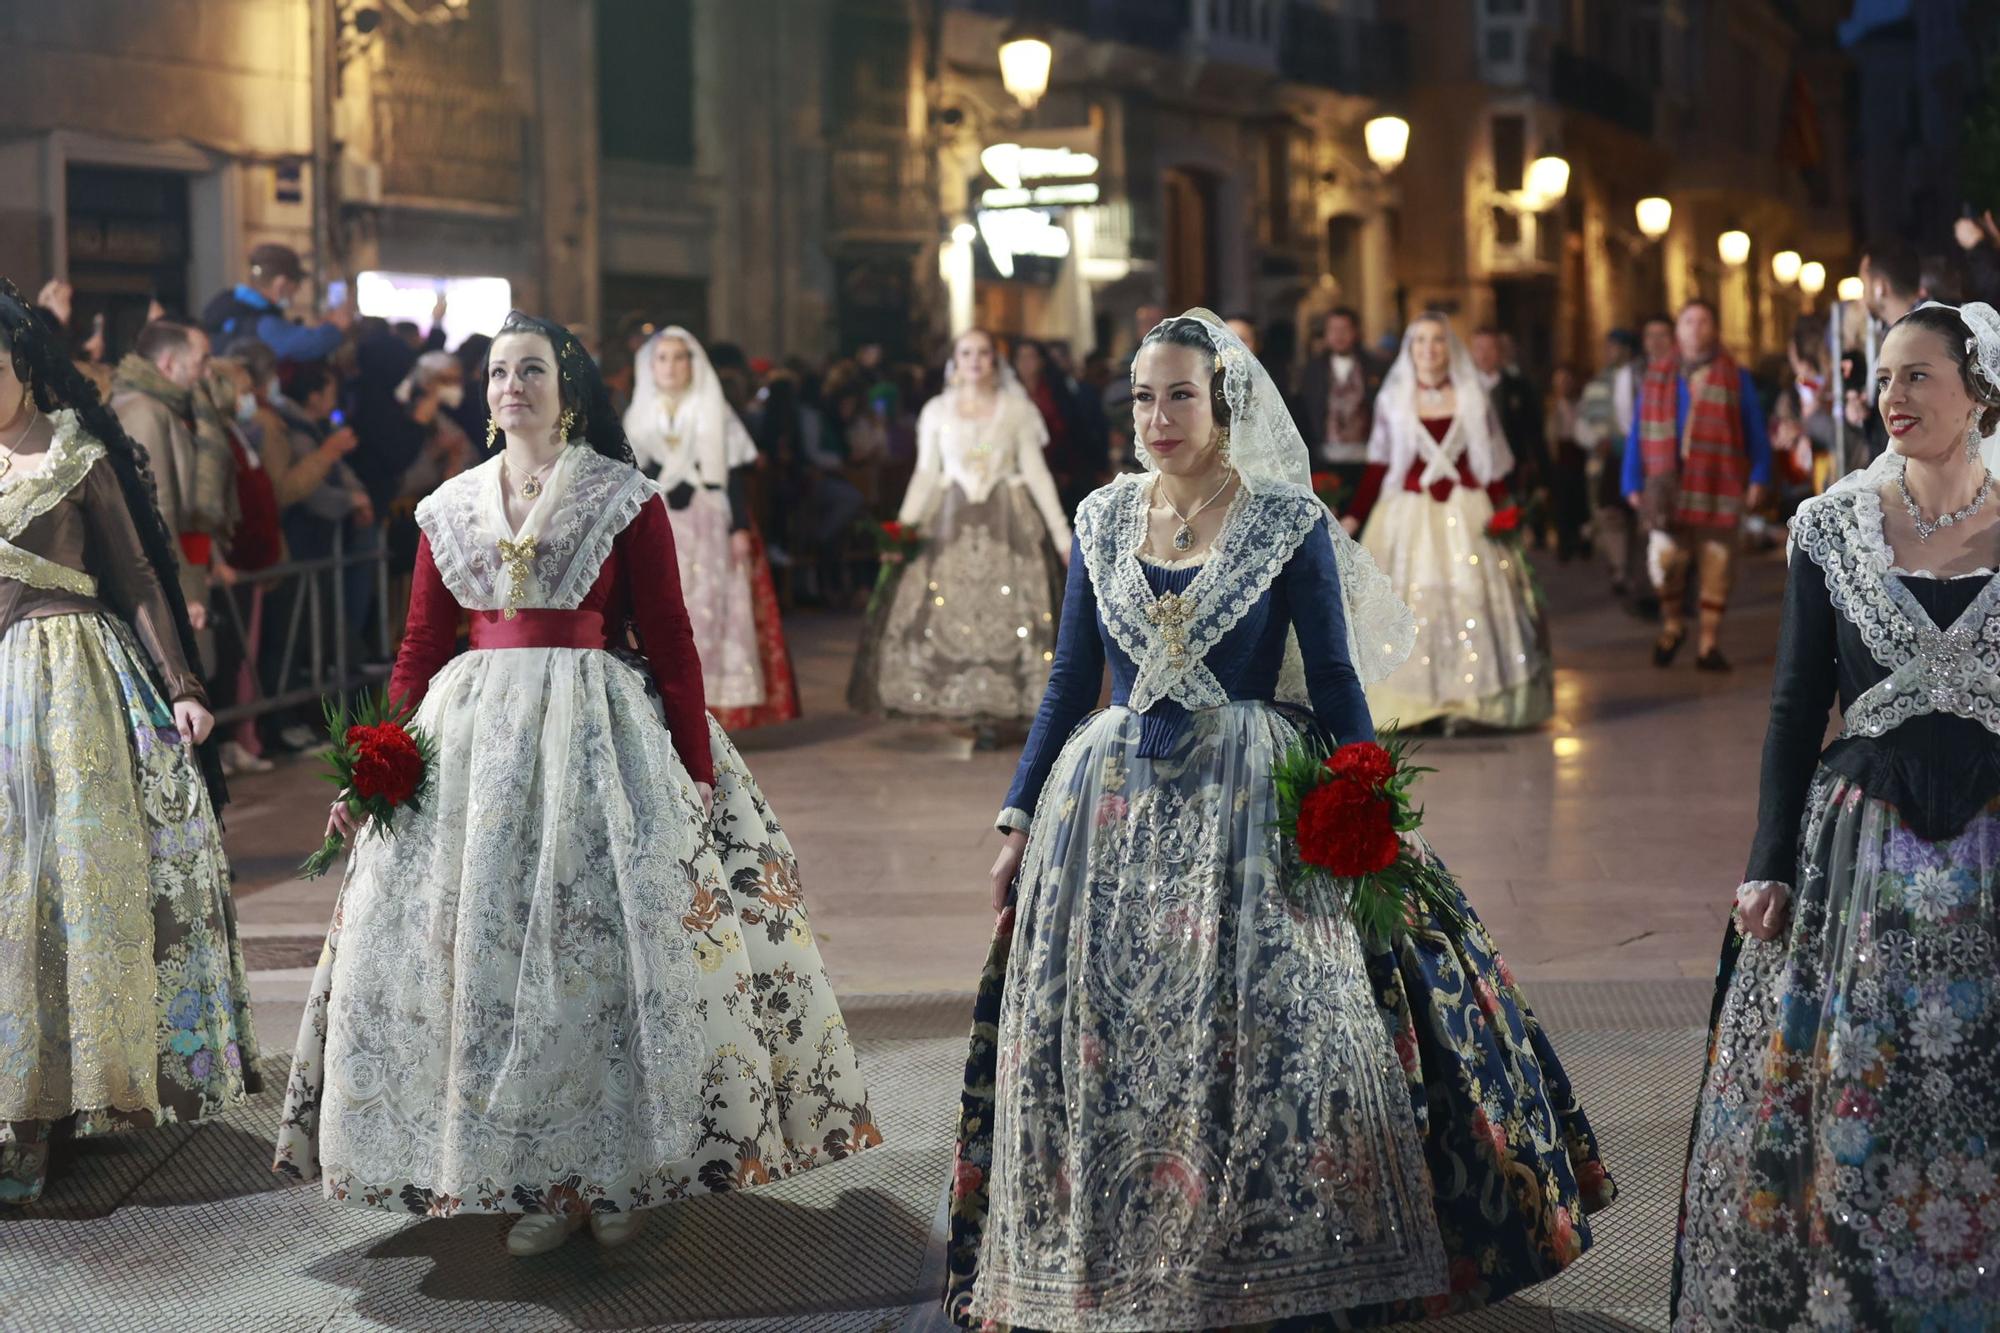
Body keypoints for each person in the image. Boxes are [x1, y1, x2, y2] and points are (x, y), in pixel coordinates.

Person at [947, 309, 1613, 1330]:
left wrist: (1370, 801)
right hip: (1111, 813)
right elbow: (1067, 683)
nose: (1157, 416)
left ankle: (1269, 1256)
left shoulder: (1282, 522)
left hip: (1251, 807)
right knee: (1114, 1037)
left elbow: (1337, 679)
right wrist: (1015, 815)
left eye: (1178, 394)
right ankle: (1123, 1255)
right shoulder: (1098, 519)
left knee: (1266, 1035)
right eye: (1141, 396)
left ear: (1223, 404)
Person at [274, 311, 878, 1256]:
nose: (512, 384)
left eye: (532, 370)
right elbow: (422, 648)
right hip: (474, 751)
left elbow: (671, 643)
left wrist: (695, 766)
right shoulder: (449, 505)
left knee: (599, 959)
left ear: (571, 390)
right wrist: (377, 764)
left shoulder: (622, 498)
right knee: (497, 959)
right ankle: (536, 1178)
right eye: (498, 371)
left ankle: (620, 1164)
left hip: (598, 743)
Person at [1675, 301, 2000, 1330]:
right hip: (1860, 854)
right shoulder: (1828, 526)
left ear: (1976, 391)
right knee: (1859, 1079)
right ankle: (1852, 1294)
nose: (1886, 397)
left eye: (1914, 376)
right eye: (1879, 375)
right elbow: (1790, 703)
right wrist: (1765, 861)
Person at [0, 278, 255, 1203]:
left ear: (22, 365)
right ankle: (15, 1105)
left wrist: (183, 686)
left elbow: (138, 572)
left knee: (75, 891)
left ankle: (69, 1102)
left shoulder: (75, 452)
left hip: (75, 690)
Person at [847, 329, 1069, 741]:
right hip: (948, 521)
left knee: (1012, 611)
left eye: (984, 353)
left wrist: (1061, 534)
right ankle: (962, 704)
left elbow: (1035, 472)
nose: (975, 360)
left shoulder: (1016, 409)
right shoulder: (936, 410)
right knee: (945, 608)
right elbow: (926, 473)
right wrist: (902, 529)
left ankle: (1001, 706)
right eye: (967, 352)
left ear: (994, 361)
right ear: (955, 360)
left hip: (1007, 523)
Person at [1344, 313, 1554, 731]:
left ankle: (1468, 702)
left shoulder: (1472, 394)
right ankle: (1413, 706)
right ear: (1410, 348)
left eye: (1437, 340)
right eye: (1420, 340)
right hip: (1406, 514)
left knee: (1470, 599)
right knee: (1410, 606)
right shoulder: (1393, 397)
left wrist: (1508, 514)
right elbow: (1380, 462)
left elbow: (1492, 465)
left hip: (1467, 510)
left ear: (1449, 347)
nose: (1429, 348)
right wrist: (1353, 513)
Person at [624, 326, 800, 731]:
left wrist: (740, 527)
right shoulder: (639, 412)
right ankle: (668, 707)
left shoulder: (711, 407)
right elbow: (633, 469)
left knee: (712, 609)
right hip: (661, 523)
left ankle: (714, 713)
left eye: (679, 357)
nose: (671, 366)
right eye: (662, 358)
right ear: (650, 366)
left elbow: (733, 472)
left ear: (693, 363)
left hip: (709, 516)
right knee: (667, 609)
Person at [1622, 299, 1773, 673]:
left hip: (1718, 482)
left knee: (1716, 563)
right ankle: (1673, 624)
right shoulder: (1658, 376)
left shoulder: (1736, 377)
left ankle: (1709, 645)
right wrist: (1632, 480)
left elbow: (1754, 429)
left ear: (1715, 329)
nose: (1696, 328)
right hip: (1666, 487)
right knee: (1666, 560)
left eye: (1704, 321)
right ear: (1678, 330)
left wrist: (1759, 475)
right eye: (1688, 321)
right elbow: (1638, 433)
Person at [109, 321, 230, 670]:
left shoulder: (163, 408)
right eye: (201, 362)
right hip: (165, 589)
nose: (207, 373)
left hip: (183, 573)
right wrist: (185, 595)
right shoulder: (145, 411)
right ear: (167, 364)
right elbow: (157, 510)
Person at [199, 243, 353, 364]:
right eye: (296, 284)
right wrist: (336, 327)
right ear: (281, 284)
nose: (297, 291)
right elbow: (307, 344)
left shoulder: (230, 304)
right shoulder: (262, 323)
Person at [1576, 328, 1642, 596]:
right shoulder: (1597, 384)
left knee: (1636, 516)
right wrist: (1595, 440)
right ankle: (1619, 567)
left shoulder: (1643, 378)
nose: (1609, 352)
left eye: (1614, 346)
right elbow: (1582, 421)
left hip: (1637, 457)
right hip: (1607, 460)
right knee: (1610, 514)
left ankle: (1635, 569)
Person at [1298, 306, 1383, 501]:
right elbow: (1305, 415)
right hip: (1326, 459)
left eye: (1345, 329)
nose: (1339, 336)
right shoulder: (1312, 370)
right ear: (1326, 334)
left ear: (1356, 332)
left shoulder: (1374, 367)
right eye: (1333, 330)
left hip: (1366, 458)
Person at [1471, 326, 1549, 524]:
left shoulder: (1519, 387)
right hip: (1473, 471)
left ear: (1500, 352)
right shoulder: (1464, 389)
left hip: (1511, 471)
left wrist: (1541, 473)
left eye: (1490, 349)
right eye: (1479, 348)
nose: (1485, 355)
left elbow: (1534, 431)